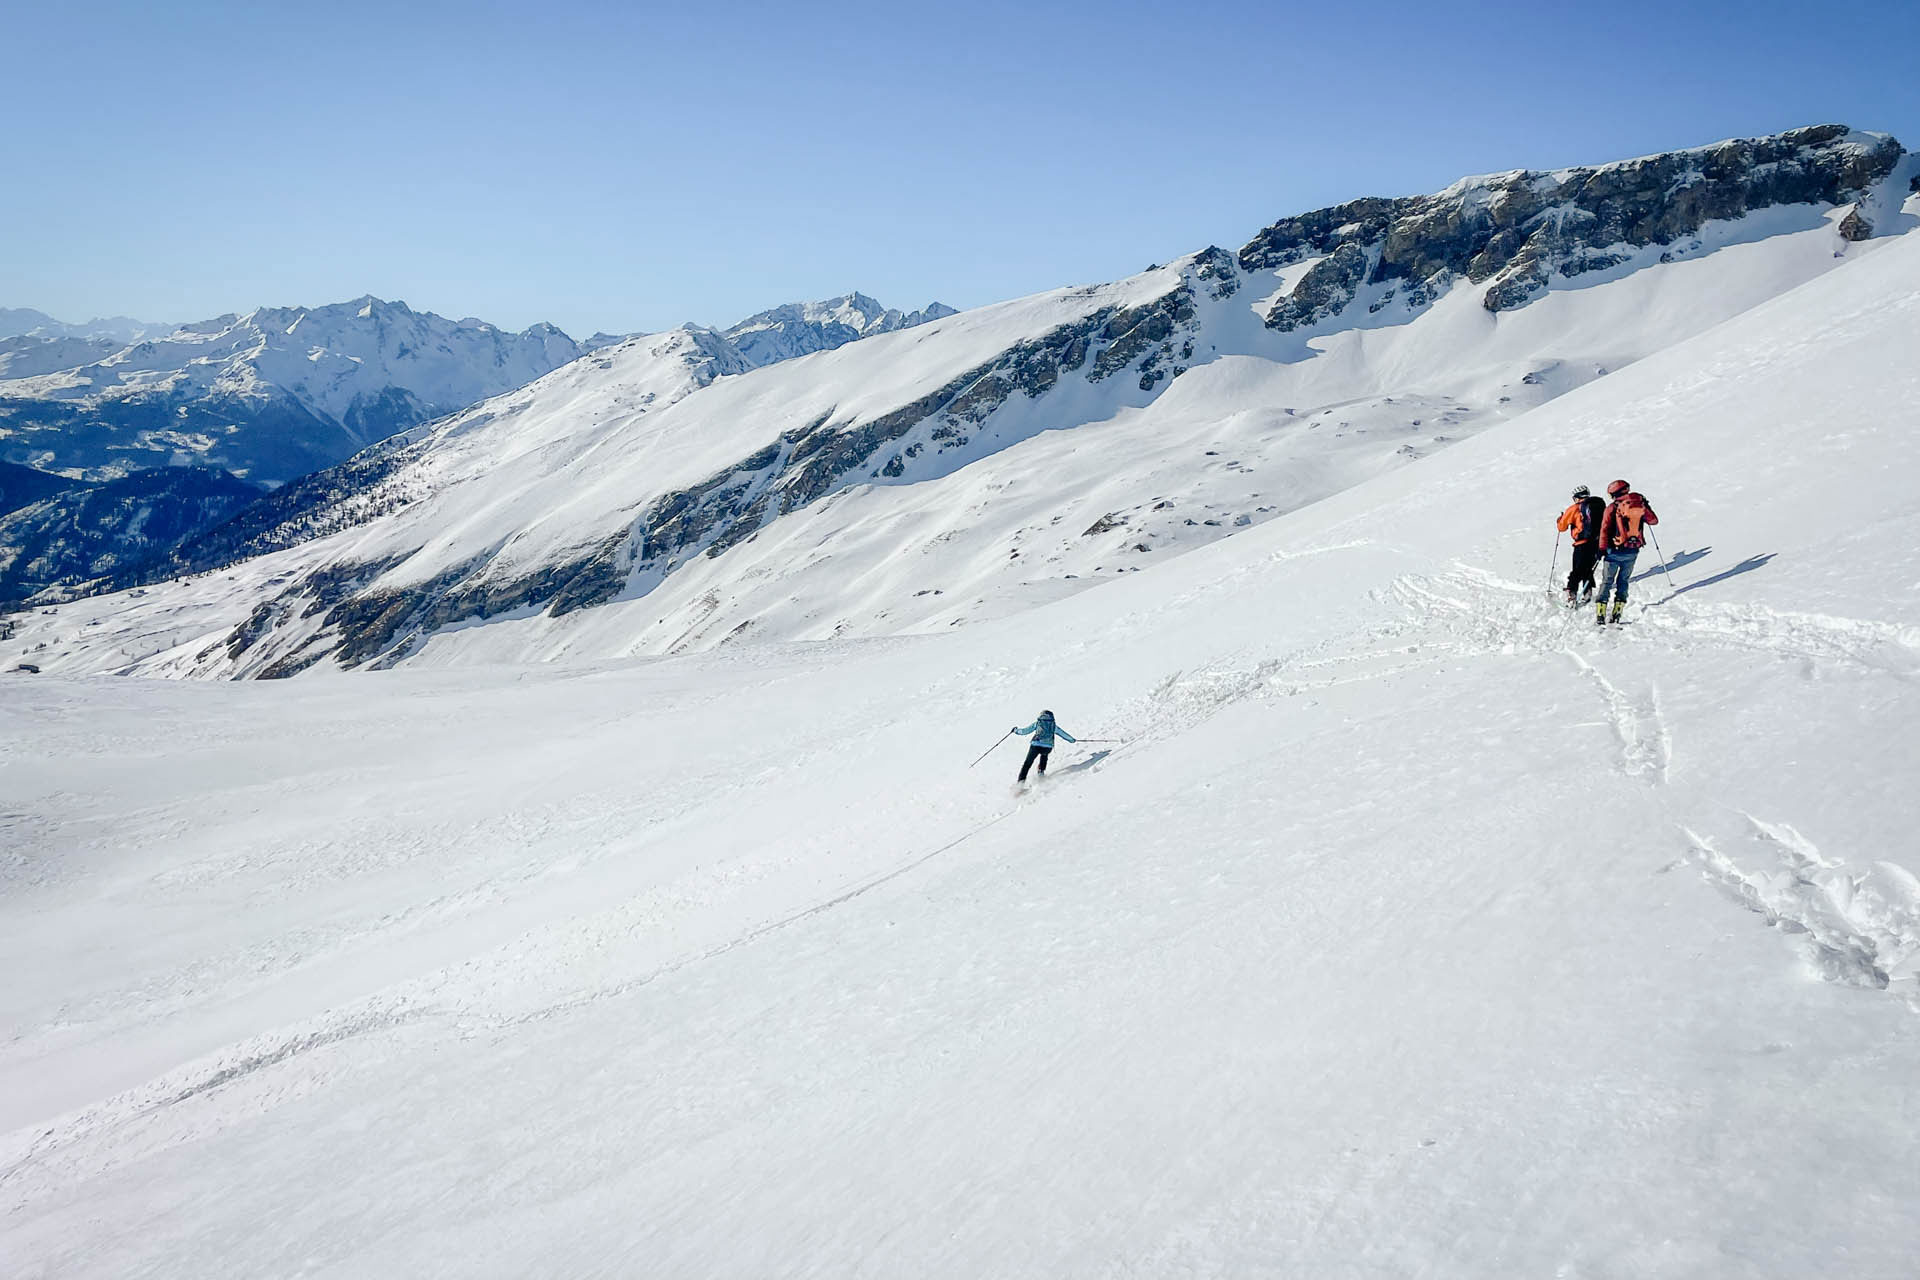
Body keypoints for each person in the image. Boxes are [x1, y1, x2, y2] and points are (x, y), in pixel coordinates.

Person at [1594, 479, 1658, 624]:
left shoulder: (1612, 507)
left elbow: (1604, 529)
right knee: (1623, 581)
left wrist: (1601, 548)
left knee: (1607, 581)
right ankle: (1618, 611)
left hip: (1613, 551)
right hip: (1632, 551)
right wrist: (1646, 506)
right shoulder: (1639, 504)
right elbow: (1653, 521)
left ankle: (1601, 612)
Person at [1555, 484, 1606, 605]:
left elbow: (1561, 527)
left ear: (1577, 497)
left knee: (1577, 569)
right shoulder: (1598, 506)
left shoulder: (1574, 508)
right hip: (1596, 542)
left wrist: (1560, 519)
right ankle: (1587, 591)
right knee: (1588, 567)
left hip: (1581, 543)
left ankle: (1571, 592)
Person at [1012, 709, 1076, 782]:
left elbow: (1025, 731)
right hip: (1048, 747)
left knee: (1027, 763)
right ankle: (1041, 773)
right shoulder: (1053, 725)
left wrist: (1016, 731)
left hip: (1036, 745)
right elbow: (1063, 734)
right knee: (1044, 756)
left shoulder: (1038, 723)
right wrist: (1072, 740)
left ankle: (1020, 783)